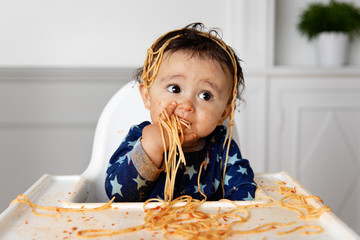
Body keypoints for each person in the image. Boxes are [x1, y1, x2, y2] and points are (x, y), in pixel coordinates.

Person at [105, 23, 256, 202]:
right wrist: (151, 148)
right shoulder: (140, 138)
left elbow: (244, 193)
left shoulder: (222, 147)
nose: (186, 105)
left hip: (208, 228)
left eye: (205, 95)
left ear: (224, 113)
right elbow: (116, 193)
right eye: (175, 88)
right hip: (145, 227)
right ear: (147, 96)